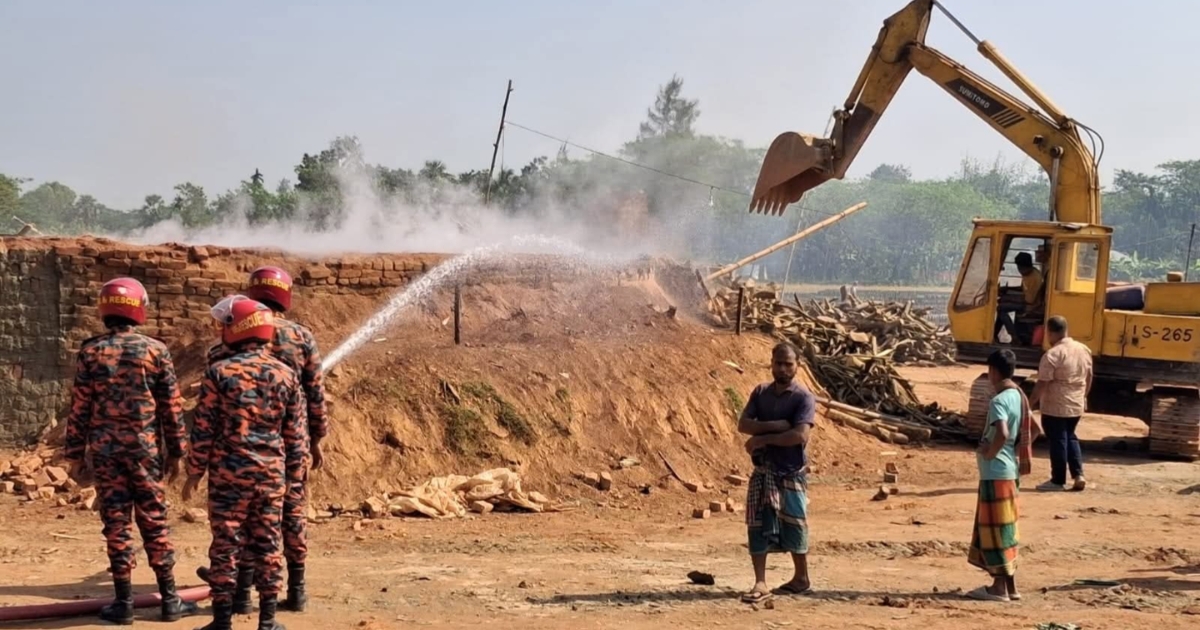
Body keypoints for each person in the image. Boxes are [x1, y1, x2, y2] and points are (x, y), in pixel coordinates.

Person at [62, 277, 197, 624]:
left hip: (106, 455)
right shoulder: (155, 351)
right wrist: (177, 452)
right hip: (145, 454)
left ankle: (123, 603)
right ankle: (169, 600)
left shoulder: (90, 351)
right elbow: (171, 407)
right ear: (139, 307)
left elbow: (79, 408)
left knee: (117, 524)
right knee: (154, 522)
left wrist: (74, 455)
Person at [196, 266, 327, 614]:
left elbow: (210, 411)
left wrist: (198, 462)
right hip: (287, 446)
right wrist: (316, 439)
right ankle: (296, 591)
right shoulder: (302, 337)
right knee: (289, 517)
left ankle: (239, 596)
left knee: (237, 523)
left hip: (235, 455)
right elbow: (315, 393)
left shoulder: (225, 347)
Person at [184, 296, 305, 630]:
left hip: (227, 477)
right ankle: (267, 621)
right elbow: (295, 434)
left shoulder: (218, 372)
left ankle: (222, 621)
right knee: (268, 544)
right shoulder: (286, 374)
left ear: (237, 328)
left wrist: (194, 473)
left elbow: (204, 429)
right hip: (270, 476)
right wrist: (294, 473)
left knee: (226, 546)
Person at [736, 342, 817, 604]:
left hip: (791, 471)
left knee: (795, 522)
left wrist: (763, 439)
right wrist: (776, 427)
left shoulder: (803, 397)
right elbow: (744, 424)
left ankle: (801, 577)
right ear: (771, 363)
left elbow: (799, 435)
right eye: (778, 363)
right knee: (758, 523)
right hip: (764, 471)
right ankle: (760, 580)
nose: (782, 368)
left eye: (788, 364)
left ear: (797, 366)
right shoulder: (761, 392)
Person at [966, 349, 1033, 602]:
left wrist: (991, 452)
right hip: (1010, 471)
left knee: (995, 532)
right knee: (1007, 530)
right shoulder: (1019, 396)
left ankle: (998, 589)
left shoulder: (999, 400)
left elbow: (1002, 433)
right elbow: (1033, 429)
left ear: (993, 371)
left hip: (995, 473)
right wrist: (1013, 451)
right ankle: (1011, 587)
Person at [1031, 315, 1093, 492]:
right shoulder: (1084, 349)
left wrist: (1030, 403)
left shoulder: (1052, 355)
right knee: (1071, 437)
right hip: (1076, 404)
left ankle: (1058, 480)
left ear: (1050, 333)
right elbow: (1089, 377)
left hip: (1055, 406)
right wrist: (1083, 397)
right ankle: (1078, 474)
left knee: (1058, 440)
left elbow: (1042, 383)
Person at [994, 252, 1044, 344]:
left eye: (1020, 268)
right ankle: (994, 334)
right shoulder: (1028, 274)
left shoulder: (1034, 278)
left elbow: (1029, 300)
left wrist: (1009, 299)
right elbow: (1023, 289)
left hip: (1032, 306)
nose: (1019, 270)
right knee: (1002, 305)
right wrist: (1007, 289)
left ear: (1024, 267)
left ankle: (1014, 336)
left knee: (1001, 308)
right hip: (1028, 302)